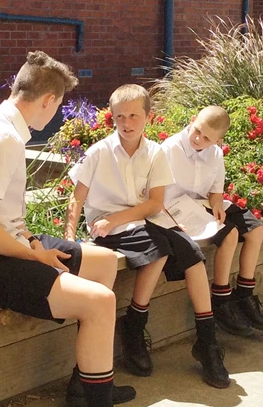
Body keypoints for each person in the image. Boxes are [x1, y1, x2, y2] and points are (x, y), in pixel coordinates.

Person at [0, 53, 162, 407]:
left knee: (101, 262)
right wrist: (37, 255)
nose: (57, 113)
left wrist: (28, 241)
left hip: (6, 245)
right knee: (98, 303)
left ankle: (86, 384)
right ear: (47, 100)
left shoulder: (3, 129)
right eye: (59, 106)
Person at [64, 84, 230, 389]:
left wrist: (120, 217)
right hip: (109, 229)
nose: (126, 123)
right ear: (112, 118)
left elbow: (154, 204)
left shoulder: (155, 153)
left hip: (142, 221)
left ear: (148, 117)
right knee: (160, 247)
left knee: (192, 254)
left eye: (133, 116)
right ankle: (135, 324)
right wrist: (71, 237)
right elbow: (76, 198)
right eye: (119, 117)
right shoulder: (99, 152)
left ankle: (207, 344)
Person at [161, 106, 263, 338]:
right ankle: (221, 300)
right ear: (192, 120)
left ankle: (244, 296)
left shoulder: (215, 154)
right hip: (174, 209)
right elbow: (158, 193)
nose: (199, 139)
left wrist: (218, 205)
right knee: (229, 235)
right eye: (197, 131)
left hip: (204, 205)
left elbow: (215, 191)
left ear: (218, 140)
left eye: (207, 138)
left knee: (256, 230)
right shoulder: (170, 148)